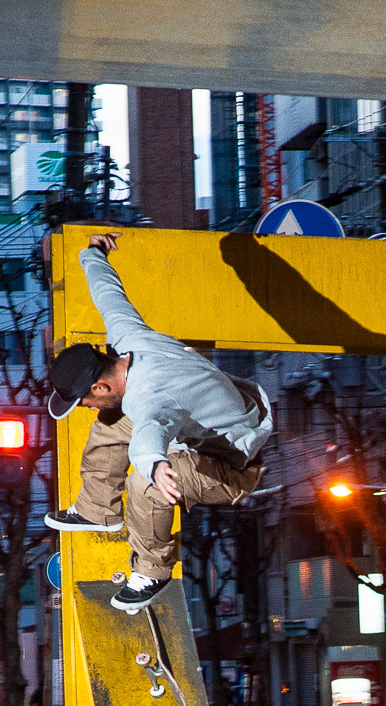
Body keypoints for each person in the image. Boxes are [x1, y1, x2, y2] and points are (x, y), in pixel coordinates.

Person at [43, 232, 272, 614]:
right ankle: (98, 509)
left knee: (145, 485)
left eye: (84, 400)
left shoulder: (149, 398)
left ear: (100, 384)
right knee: (111, 419)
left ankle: (153, 571)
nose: (84, 406)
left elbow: (150, 431)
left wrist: (156, 464)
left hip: (234, 465)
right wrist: (92, 254)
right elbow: (110, 298)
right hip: (213, 425)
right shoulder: (129, 341)